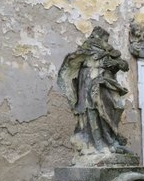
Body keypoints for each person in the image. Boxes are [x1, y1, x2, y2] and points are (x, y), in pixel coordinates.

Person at [56, 26, 132, 157]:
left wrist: (114, 63)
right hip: (89, 87)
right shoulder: (86, 50)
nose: (106, 42)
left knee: (117, 107)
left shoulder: (111, 53)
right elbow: (71, 64)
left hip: (108, 86)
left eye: (106, 40)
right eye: (104, 39)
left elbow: (124, 65)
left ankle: (110, 139)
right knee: (93, 112)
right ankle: (99, 144)